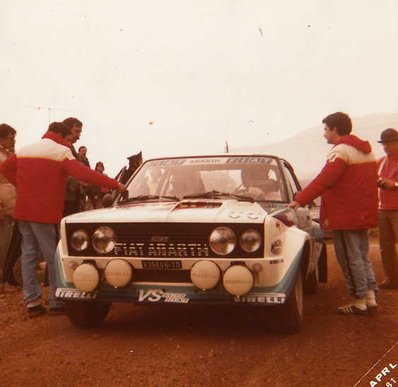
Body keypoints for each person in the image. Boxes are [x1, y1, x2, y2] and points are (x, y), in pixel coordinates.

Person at [0, 122, 126, 317]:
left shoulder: (25, 149)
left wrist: (23, 186)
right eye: (68, 138)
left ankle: (32, 301)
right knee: (53, 256)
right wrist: (115, 184)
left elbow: (6, 168)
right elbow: (85, 174)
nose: (69, 142)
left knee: (29, 255)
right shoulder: (60, 152)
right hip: (44, 212)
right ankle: (56, 299)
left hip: (23, 210)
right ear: (59, 134)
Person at [288, 112, 378, 315]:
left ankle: (359, 301)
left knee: (349, 257)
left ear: (335, 129)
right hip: (362, 213)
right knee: (362, 256)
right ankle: (370, 298)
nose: (324, 134)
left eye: (325, 129)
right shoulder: (366, 151)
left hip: (345, 214)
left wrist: (299, 199)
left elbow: (325, 179)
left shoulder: (340, 152)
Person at [376, 128, 398, 289]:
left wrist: (395, 185)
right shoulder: (381, 161)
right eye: (384, 144)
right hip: (382, 209)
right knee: (386, 247)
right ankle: (392, 278)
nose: (386, 146)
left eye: (390, 143)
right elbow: (372, 177)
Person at [0, 124, 17, 292]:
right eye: (11, 137)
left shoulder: (9, 154)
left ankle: (6, 279)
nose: (13, 140)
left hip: (12, 203)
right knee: (2, 244)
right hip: (3, 204)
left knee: (9, 243)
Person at [62, 117, 85, 215]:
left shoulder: (72, 148)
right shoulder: (61, 148)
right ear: (67, 130)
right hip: (65, 198)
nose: (79, 136)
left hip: (73, 197)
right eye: (76, 131)